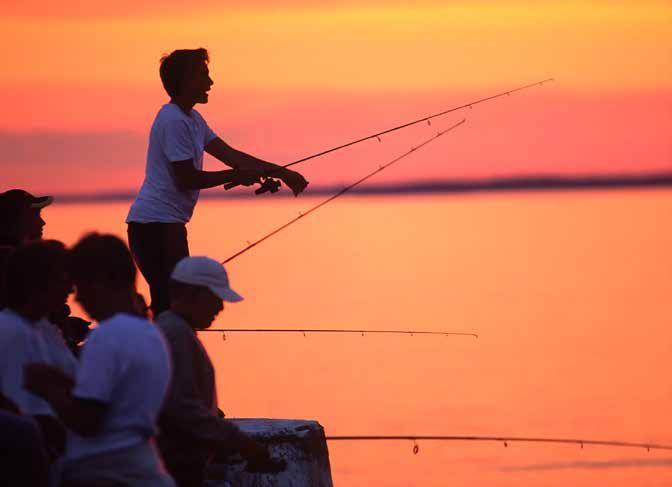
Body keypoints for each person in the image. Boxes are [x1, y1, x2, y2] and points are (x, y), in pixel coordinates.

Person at [126, 48, 309, 316]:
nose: (210, 82)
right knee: (173, 306)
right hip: (154, 227)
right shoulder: (173, 120)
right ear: (185, 80)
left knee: (172, 303)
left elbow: (233, 157)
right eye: (203, 75)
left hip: (166, 226)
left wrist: (283, 172)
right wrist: (234, 175)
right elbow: (186, 178)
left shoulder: (193, 119)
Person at [25, 233, 175, 487]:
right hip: (143, 468)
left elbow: (88, 421)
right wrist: (64, 382)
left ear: (104, 282)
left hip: (107, 474)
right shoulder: (150, 332)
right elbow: (118, 402)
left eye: (82, 288)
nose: (77, 299)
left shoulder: (107, 336)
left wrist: (46, 388)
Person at [156, 256, 284, 486]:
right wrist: (240, 442)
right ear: (193, 294)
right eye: (215, 298)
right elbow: (182, 408)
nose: (220, 307)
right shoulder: (176, 335)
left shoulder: (172, 329)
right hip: (175, 471)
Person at [0, 240, 76, 469]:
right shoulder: (11, 331)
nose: (70, 290)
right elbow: (24, 409)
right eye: (63, 281)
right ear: (37, 284)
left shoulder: (43, 327)